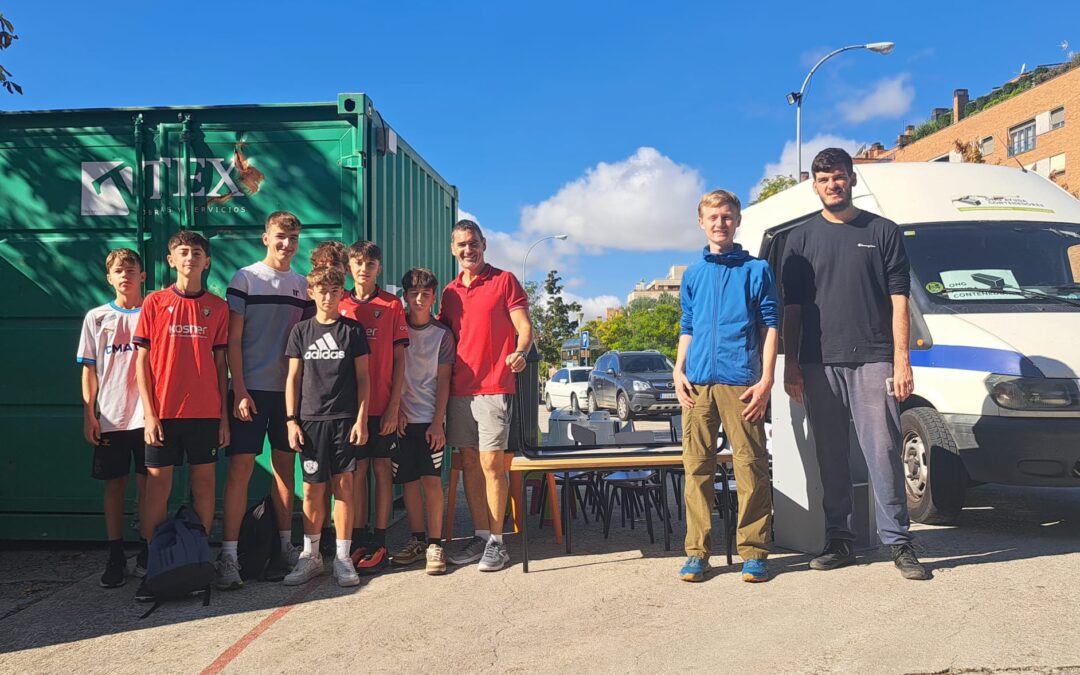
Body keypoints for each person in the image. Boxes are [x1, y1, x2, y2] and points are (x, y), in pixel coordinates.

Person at [782, 147, 930, 581]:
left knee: (882, 452)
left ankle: (899, 543)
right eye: (824, 178)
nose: (833, 184)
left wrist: (902, 360)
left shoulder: (882, 231)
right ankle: (839, 540)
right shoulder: (800, 239)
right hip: (818, 362)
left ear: (852, 179)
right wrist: (792, 365)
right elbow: (791, 310)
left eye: (840, 176)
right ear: (814, 185)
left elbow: (899, 299)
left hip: (873, 358)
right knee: (830, 456)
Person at [673, 189, 779, 583]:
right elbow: (688, 325)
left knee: (750, 466)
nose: (720, 223)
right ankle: (697, 553)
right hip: (697, 384)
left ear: (737, 221)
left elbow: (771, 326)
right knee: (696, 470)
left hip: (742, 384)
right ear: (701, 222)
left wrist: (766, 379)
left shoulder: (756, 270)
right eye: (713, 217)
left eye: (727, 216)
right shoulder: (693, 274)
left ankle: (754, 551)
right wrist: (678, 370)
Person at [217, 211, 313, 590]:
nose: (286, 243)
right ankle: (228, 556)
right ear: (265, 237)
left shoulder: (303, 285)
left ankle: (286, 547)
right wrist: (238, 389)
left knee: (285, 473)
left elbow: (305, 344)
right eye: (279, 236)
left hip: (287, 395)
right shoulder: (246, 278)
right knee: (240, 470)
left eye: (292, 237)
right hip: (250, 392)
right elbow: (233, 341)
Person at [133, 230, 230, 601]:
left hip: (204, 414)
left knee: (205, 486)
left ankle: (196, 563)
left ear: (207, 262)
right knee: (158, 488)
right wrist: (150, 412)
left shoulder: (218, 308)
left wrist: (222, 416)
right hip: (164, 414)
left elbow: (221, 364)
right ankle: (155, 564)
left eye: (198, 252)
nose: (191, 258)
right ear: (171, 260)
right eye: (184, 252)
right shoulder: (155, 303)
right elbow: (141, 361)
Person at [439, 219, 532, 572]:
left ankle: (498, 542)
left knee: (493, 465)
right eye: (461, 244)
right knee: (471, 466)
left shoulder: (504, 280)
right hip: (459, 390)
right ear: (453, 249)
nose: (468, 249)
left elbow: (524, 327)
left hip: (494, 386)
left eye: (473, 243)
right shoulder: (448, 293)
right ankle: (481, 535)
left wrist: (520, 352)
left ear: (484, 243)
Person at [282, 265, 370, 587]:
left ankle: (343, 558)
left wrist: (361, 419)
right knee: (311, 490)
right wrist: (291, 420)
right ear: (311, 292)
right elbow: (292, 378)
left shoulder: (353, 331)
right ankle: (312, 556)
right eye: (322, 290)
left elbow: (364, 379)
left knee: (344, 488)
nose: (328, 296)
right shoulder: (301, 331)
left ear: (341, 293)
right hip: (309, 422)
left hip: (345, 422)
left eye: (335, 291)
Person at [77, 248, 149, 588]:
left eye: (131, 270)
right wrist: (89, 413)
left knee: (149, 484)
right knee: (115, 485)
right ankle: (116, 554)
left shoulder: (153, 312)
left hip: (147, 416)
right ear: (109, 277)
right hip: (110, 416)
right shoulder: (96, 317)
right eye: (119, 271)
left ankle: (148, 549)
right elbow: (89, 369)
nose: (125, 275)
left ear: (142, 276)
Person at [339, 241, 409, 574]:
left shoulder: (391, 304)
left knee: (382, 470)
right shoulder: (338, 303)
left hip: (382, 405)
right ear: (349, 266)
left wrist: (394, 407)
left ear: (378, 268)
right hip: (347, 411)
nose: (363, 269)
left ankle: (380, 540)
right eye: (357, 263)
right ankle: (357, 537)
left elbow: (399, 362)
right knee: (355, 474)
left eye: (370, 264)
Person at [390, 268, 455, 575]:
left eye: (425, 294)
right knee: (409, 483)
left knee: (431, 482)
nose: (419, 299)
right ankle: (416, 541)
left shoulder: (442, 335)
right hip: (400, 420)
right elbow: (389, 373)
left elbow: (443, 381)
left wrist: (437, 422)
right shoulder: (396, 327)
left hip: (429, 420)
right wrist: (395, 411)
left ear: (433, 296)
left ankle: (434, 543)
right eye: (413, 293)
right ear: (405, 295)